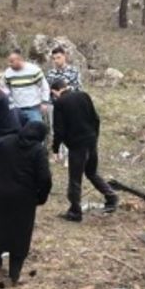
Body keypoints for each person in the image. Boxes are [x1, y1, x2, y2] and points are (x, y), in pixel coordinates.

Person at [0, 121, 52, 284]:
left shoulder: (5, 142)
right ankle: (14, 274)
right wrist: (41, 196)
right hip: (23, 198)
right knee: (19, 235)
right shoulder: (38, 150)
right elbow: (45, 178)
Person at [50, 80, 118, 222]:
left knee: (75, 179)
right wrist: (95, 136)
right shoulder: (83, 95)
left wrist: (55, 149)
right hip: (91, 140)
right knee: (92, 172)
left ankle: (75, 212)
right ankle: (111, 196)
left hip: (77, 145)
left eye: (53, 94)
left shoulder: (60, 103)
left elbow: (59, 130)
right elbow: (96, 118)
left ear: (56, 91)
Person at [2, 49, 51, 126]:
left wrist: (45, 101)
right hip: (17, 109)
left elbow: (44, 86)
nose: (9, 64)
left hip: (33, 107)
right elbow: (6, 90)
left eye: (12, 62)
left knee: (36, 130)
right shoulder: (8, 73)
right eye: (8, 62)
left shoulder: (34, 70)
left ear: (20, 60)